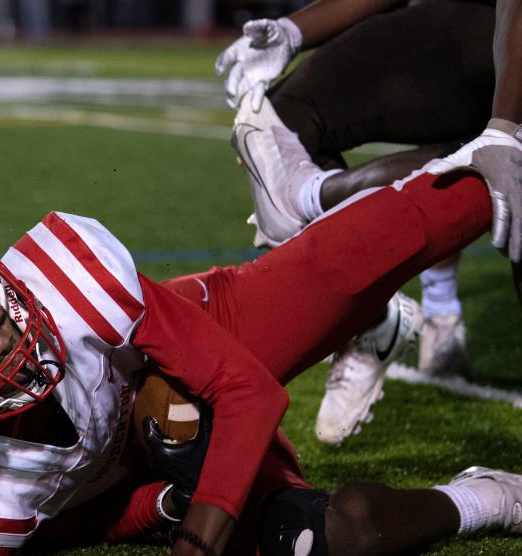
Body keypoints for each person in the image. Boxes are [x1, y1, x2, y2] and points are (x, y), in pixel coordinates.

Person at [0, 150, 521, 556]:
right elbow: (74, 524)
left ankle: (490, 163)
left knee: (388, 237)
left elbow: (246, 390)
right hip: (156, 462)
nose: (3, 336)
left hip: (177, 350)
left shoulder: (71, 283)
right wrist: (165, 505)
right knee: (336, 532)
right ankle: (493, 497)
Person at [215, 0, 521, 444]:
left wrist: (505, 126)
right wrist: (293, 30)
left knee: (508, 157)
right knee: (277, 123)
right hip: (475, 19)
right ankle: (369, 317)